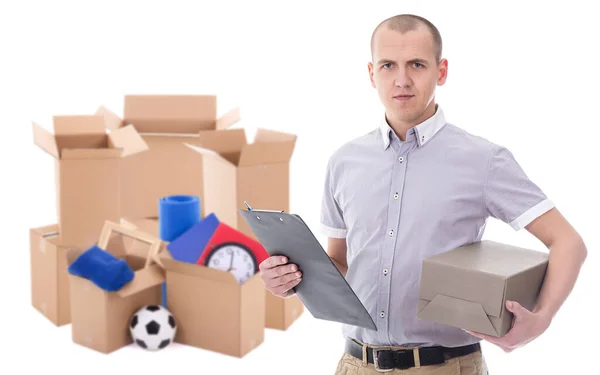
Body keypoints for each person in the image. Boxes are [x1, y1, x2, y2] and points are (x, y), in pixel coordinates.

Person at [258, 14, 587, 374]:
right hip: (355, 363)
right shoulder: (343, 162)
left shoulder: (483, 160)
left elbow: (568, 242)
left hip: (445, 366)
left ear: (440, 71)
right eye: (388, 65)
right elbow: (339, 263)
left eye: (416, 64)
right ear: (372, 74)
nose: (402, 80)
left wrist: (541, 319)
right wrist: (290, 280)